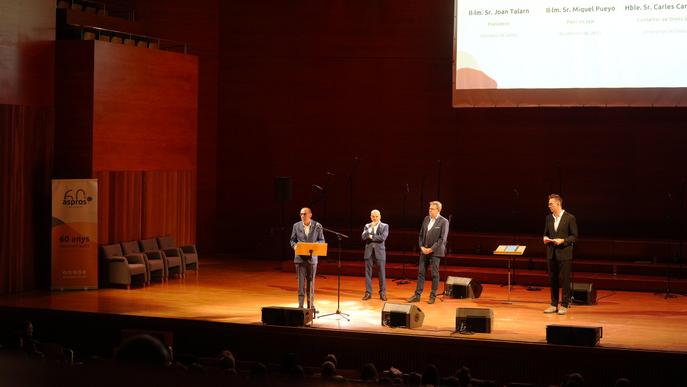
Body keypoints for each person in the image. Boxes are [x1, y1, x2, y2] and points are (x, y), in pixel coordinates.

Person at [407, 201, 449, 304]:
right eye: (429, 208)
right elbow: (421, 235)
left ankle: (432, 296)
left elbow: (442, 239)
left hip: (435, 252)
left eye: (432, 209)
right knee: (421, 273)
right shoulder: (426, 219)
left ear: (438, 210)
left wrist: (431, 249)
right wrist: (421, 247)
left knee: (434, 274)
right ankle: (417, 295)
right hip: (424, 251)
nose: (430, 210)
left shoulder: (444, 221)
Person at [543, 194, 578, 315]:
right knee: (553, 279)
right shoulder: (548, 218)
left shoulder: (570, 218)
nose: (549, 206)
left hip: (564, 254)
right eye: (549, 204)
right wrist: (545, 238)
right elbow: (545, 233)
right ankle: (553, 304)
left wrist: (563, 240)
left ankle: (564, 304)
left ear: (558, 204)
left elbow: (574, 236)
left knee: (565, 280)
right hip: (551, 253)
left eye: (551, 204)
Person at [290, 207, 325, 309]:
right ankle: (300, 306)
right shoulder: (296, 226)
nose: (302, 216)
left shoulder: (317, 226)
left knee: (311, 283)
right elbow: (292, 240)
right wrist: (295, 246)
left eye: (304, 214)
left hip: (312, 259)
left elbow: (321, 240)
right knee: (301, 284)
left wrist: (313, 245)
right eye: (301, 214)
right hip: (300, 259)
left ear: (310, 215)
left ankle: (311, 306)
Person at [361, 209, 389, 301]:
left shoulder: (385, 226)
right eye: (373, 216)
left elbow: (382, 238)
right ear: (371, 217)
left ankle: (382, 293)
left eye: (376, 216)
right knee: (368, 273)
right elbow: (363, 237)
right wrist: (369, 229)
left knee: (381, 273)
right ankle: (368, 293)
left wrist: (371, 236)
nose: (375, 218)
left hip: (379, 252)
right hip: (369, 252)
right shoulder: (367, 226)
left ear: (380, 216)